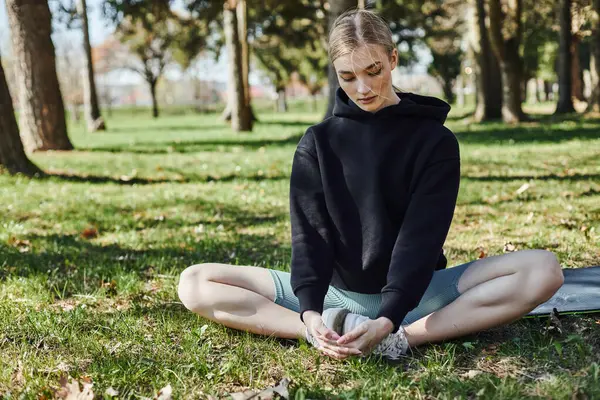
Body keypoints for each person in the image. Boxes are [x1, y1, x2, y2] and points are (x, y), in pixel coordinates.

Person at [177, 9, 564, 361]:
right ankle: (321, 335)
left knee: (544, 269)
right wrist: (310, 314)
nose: (362, 88)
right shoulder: (317, 142)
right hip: (333, 297)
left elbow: (420, 239)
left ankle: (403, 340)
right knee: (195, 282)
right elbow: (309, 236)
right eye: (348, 77)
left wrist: (390, 320)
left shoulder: (435, 141)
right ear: (336, 72)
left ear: (393, 59)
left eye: (373, 71)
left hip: (417, 298)